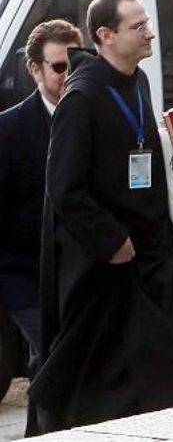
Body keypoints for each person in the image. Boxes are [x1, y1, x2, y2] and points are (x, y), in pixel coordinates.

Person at [26, 0, 173, 432]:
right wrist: (111, 239)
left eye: (147, 23)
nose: (150, 32)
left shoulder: (138, 80)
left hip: (155, 249)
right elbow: (64, 187)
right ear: (105, 36)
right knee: (104, 379)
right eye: (138, 27)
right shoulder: (82, 98)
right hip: (110, 262)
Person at [0, 20, 81, 375]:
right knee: (56, 361)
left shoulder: (92, 116)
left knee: (52, 367)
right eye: (60, 66)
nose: (69, 74)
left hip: (79, 274)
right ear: (35, 69)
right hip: (24, 276)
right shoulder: (9, 130)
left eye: (77, 63)